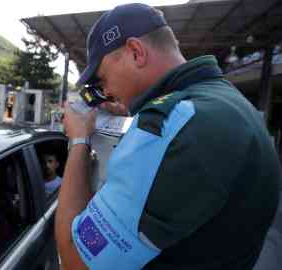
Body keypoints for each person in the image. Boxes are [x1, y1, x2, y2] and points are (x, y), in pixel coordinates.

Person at [55, 3, 281, 270]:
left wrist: (79, 139)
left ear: (136, 53)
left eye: (103, 79)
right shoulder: (228, 103)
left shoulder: (171, 124)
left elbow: (75, 261)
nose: (107, 91)